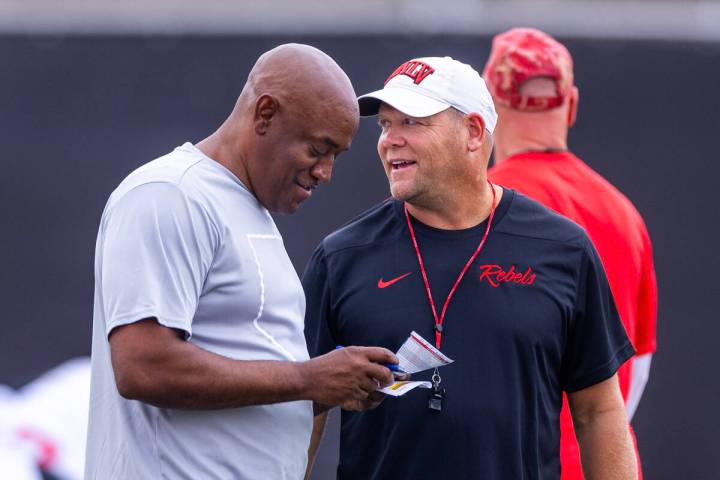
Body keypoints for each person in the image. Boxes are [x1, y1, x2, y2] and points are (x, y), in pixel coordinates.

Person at [303, 56, 638, 479]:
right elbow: (303, 413)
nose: (390, 140)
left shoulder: (563, 250)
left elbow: (599, 413)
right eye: (386, 125)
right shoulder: (341, 257)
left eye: (412, 122)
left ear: (474, 133)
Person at [84, 43, 398, 480]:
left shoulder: (247, 209)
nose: (325, 172)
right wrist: (308, 380)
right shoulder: (170, 193)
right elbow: (143, 366)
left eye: (335, 157)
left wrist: (328, 387)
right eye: (317, 149)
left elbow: (250, 368)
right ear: (265, 114)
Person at [483, 28, 657, 479]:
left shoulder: (479, 206)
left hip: (514, 463)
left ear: (485, 108)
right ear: (572, 104)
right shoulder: (624, 214)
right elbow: (634, 370)